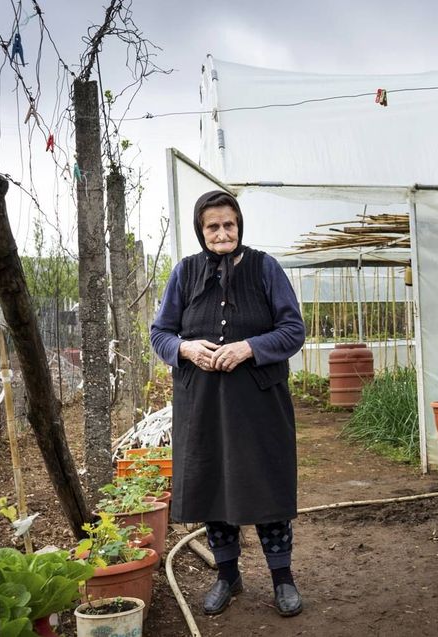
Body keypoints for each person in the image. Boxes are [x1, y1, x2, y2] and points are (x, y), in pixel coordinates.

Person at [150, 190, 306, 617]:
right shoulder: (184, 273)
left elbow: (294, 330)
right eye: (213, 226)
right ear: (202, 231)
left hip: (259, 403)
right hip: (201, 404)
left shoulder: (264, 268)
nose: (222, 232)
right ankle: (227, 575)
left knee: (266, 485)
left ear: (239, 226)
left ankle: (282, 579)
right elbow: (160, 332)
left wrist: (249, 348)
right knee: (213, 485)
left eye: (229, 224)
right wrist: (185, 350)